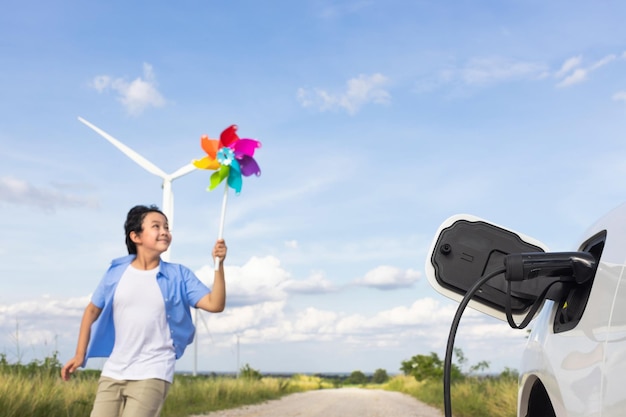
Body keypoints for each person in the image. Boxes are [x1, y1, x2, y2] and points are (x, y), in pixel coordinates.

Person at [61, 204, 227, 417]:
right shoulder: (115, 272)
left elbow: (215, 304)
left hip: (153, 371)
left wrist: (219, 265)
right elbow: (92, 311)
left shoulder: (179, 275)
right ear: (136, 236)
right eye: (156, 226)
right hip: (114, 371)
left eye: (166, 227)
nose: (165, 231)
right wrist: (79, 354)